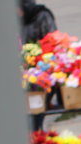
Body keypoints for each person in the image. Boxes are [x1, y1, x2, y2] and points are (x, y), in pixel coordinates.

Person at [19, 0, 58, 133]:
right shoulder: (17, 19)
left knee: (36, 112)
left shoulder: (42, 16)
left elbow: (52, 40)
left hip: (41, 74)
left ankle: (37, 134)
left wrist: (39, 60)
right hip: (23, 72)